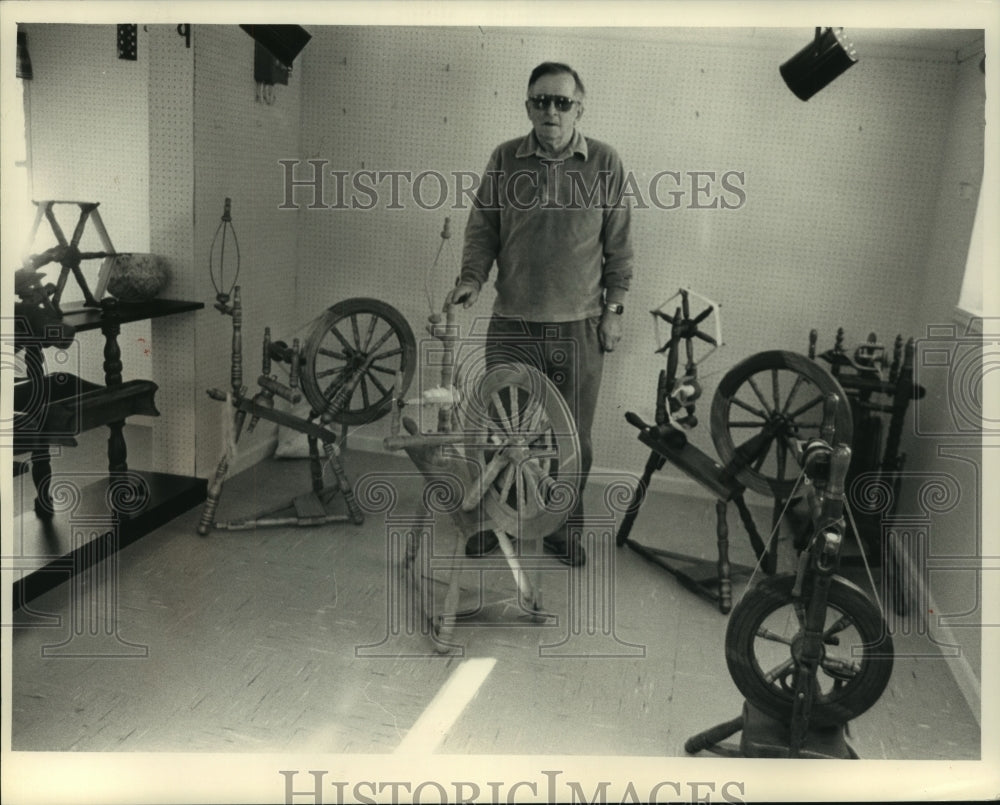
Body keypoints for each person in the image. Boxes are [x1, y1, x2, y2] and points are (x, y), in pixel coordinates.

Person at [447, 62, 634, 566]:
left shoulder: (606, 163)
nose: (551, 110)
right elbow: (482, 228)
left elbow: (619, 250)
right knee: (498, 431)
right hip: (513, 323)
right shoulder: (505, 159)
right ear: (528, 105)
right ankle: (494, 520)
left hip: (579, 328)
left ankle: (560, 527)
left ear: (580, 107)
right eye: (541, 101)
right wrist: (471, 279)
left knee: (572, 440)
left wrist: (613, 311)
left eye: (562, 101)